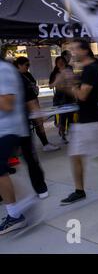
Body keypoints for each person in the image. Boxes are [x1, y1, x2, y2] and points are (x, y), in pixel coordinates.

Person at [60, 39, 98, 205]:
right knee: (77, 155)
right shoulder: (92, 67)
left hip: (91, 121)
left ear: (85, 51)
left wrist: (70, 81)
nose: (72, 53)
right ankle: (79, 190)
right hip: (87, 120)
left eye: (75, 49)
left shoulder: (90, 69)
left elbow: (83, 96)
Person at [0, 57, 29, 234]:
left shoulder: (3, 70)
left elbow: (7, 104)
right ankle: (25, 201)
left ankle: (16, 215)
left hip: (8, 129)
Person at [14, 57, 60, 152]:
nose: (28, 67)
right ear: (19, 65)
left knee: (38, 124)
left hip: (33, 102)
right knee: (29, 126)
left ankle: (45, 144)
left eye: (29, 65)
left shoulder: (27, 74)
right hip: (26, 105)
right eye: (26, 65)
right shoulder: (16, 76)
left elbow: (33, 84)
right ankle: (24, 148)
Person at [49, 56, 75, 143]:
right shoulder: (54, 73)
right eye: (58, 62)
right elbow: (50, 86)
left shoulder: (69, 70)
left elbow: (73, 83)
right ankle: (63, 134)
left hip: (69, 97)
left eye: (62, 61)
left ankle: (71, 134)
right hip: (59, 98)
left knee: (70, 117)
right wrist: (58, 80)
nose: (60, 63)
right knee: (62, 117)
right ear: (56, 64)